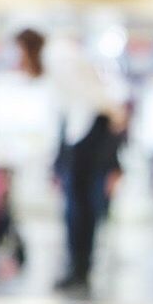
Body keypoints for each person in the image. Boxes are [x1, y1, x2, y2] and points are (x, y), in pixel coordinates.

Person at [50, 39, 124, 290]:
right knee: (80, 214)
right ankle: (78, 268)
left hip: (89, 165)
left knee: (82, 214)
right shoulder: (81, 112)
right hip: (84, 162)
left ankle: (80, 269)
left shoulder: (95, 114)